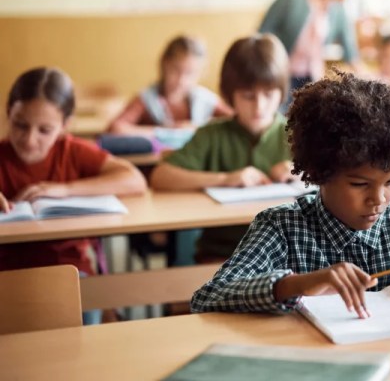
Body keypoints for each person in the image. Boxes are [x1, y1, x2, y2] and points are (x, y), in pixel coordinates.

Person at [191, 71, 390, 317]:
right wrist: (300, 283)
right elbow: (208, 297)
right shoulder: (282, 228)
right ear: (320, 173)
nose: (378, 199)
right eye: (359, 184)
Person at [0, 67, 147, 323]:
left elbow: (134, 180)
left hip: (69, 270)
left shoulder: (72, 152)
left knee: (79, 316)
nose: (29, 139)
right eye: (20, 125)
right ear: (8, 112)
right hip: (6, 272)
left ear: (65, 125)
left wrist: (65, 189)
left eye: (44, 130)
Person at [150, 34, 295, 262]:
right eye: (248, 96)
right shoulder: (211, 134)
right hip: (221, 256)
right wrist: (225, 179)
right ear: (229, 95)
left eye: (268, 94)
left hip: (286, 255)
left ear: (282, 91)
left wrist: (299, 174)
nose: (259, 106)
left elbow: (333, 184)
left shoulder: (297, 134)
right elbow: (161, 176)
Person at [258, 0, 359, 94]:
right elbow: (262, 33)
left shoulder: (337, 9)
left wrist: (364, 77)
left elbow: (349, 46)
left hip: (313, 76)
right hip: (283, 74)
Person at [107, 35, 231, 139]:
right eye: (176, 70)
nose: (182, 80)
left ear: (201, 72)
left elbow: (236, 121)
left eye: (190, 73)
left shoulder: (205, 100)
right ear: (164, 65)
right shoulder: (147, 99)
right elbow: (116, 129)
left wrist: (199, 127)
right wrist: (168, 131)